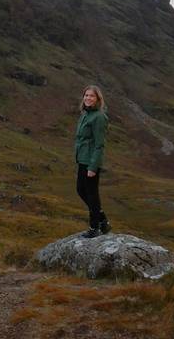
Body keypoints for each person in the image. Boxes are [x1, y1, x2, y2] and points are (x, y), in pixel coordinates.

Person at [74, 84, 111, 238]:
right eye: (86, 95)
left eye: (92, 96)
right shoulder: (85, 114)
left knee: (91, 193)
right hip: (82, 159)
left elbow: (99, 144)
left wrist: (93, 166)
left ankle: (94, 227)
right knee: (81, 190)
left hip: (90, 161)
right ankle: (102, 220)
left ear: (98, 99)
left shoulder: (99, 117)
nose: (88, 98)